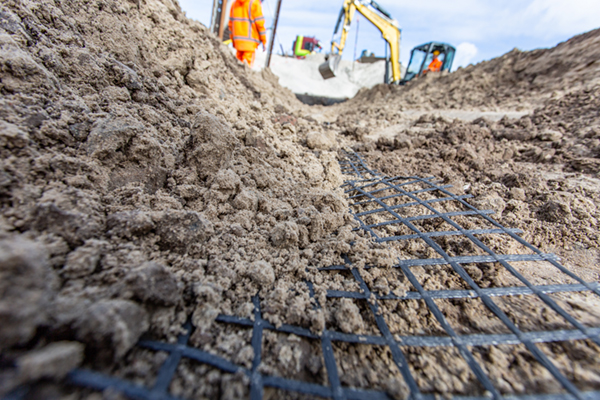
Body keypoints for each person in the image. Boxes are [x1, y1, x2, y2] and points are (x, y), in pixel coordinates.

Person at [229, 0, 267, 67]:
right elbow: (260, 24)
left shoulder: (234, 4)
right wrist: (264, 40)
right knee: (246, 68)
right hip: (250, 43)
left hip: (238, 42)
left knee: (237, 67)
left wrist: (233, 40)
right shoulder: (254, 3)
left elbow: (231, 25)